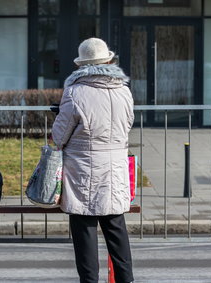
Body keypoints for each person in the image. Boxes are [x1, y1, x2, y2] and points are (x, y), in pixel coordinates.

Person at [52, 38, 134, 283]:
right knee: (116, 228)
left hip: (83, 172)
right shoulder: (124, 91)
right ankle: (126, 280)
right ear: (108, 61)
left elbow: (59, 136)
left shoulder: (75, 91)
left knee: (85, 230)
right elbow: (127, 125)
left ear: (82, 65)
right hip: (115, 170)